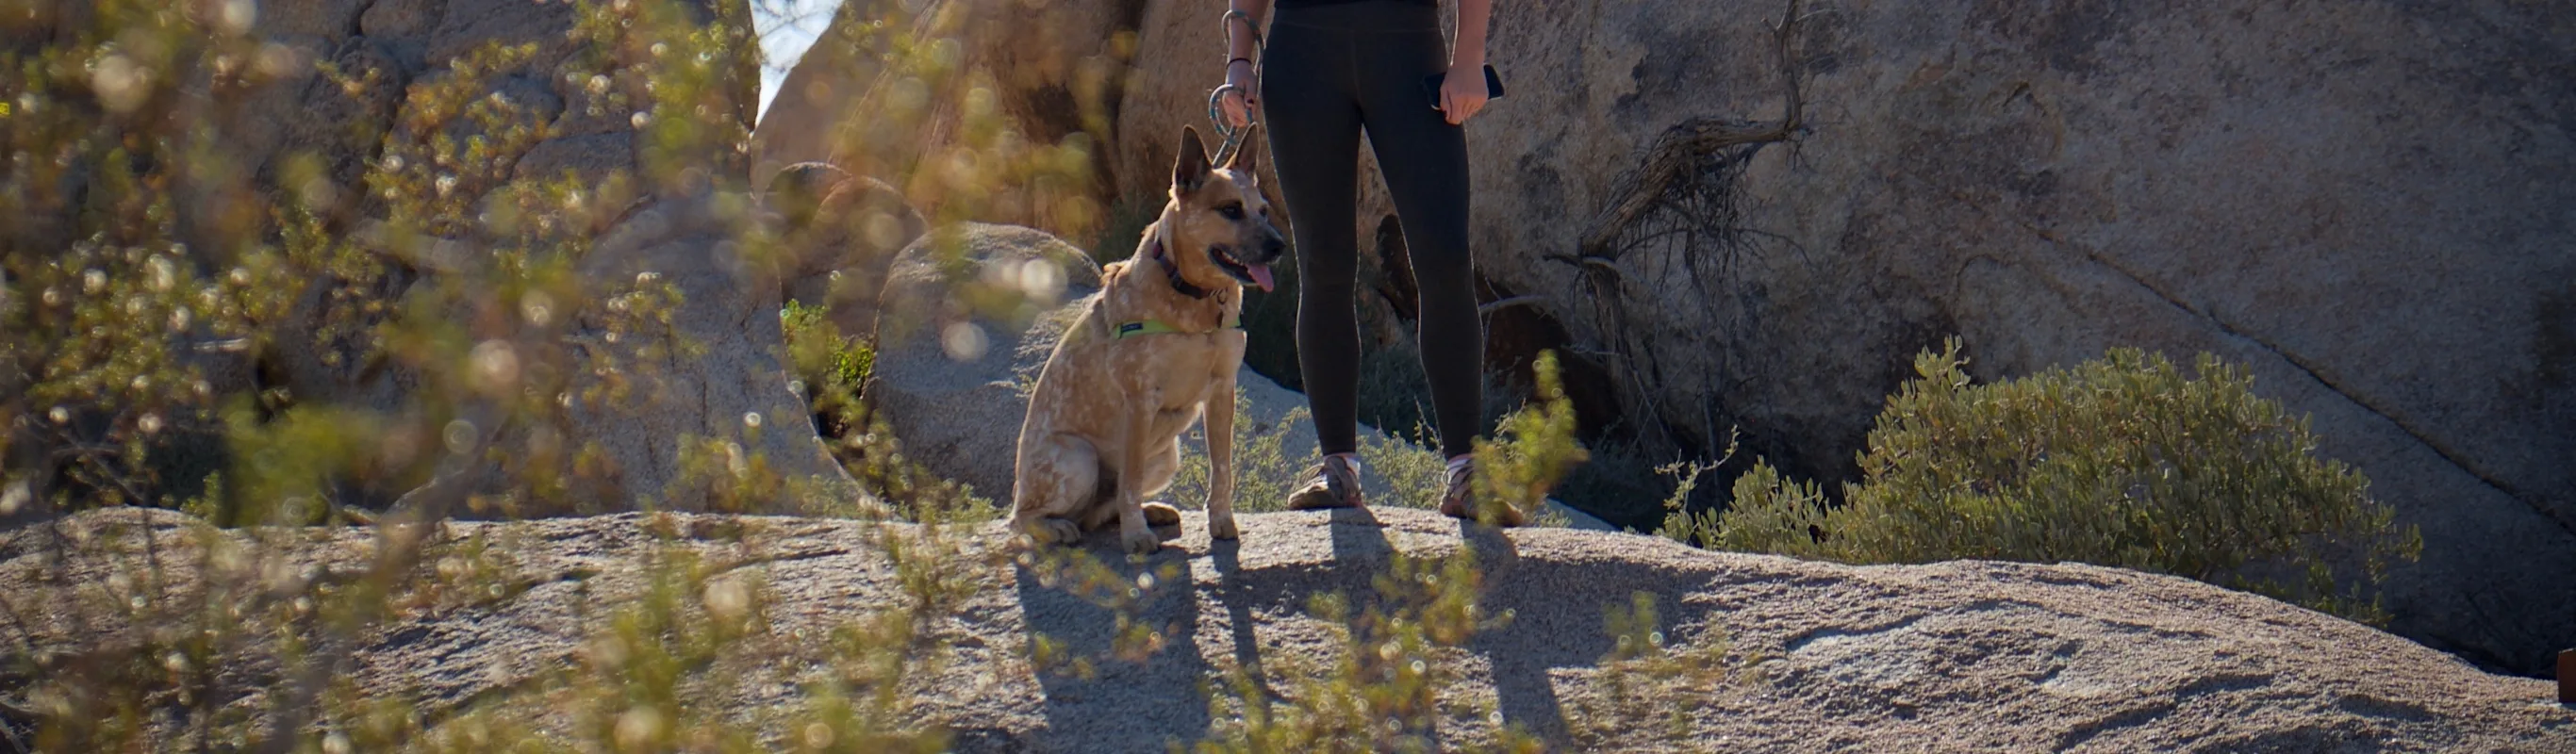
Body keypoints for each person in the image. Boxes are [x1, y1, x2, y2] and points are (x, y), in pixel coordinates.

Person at [1216, 0, 1523, 525]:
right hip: (1303, 53)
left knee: (1446, 257)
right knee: (1324, 265)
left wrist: (1469, 54)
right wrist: (1238, 59)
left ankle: (1468, 474)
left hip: (1407, 49)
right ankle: (1337, 469)